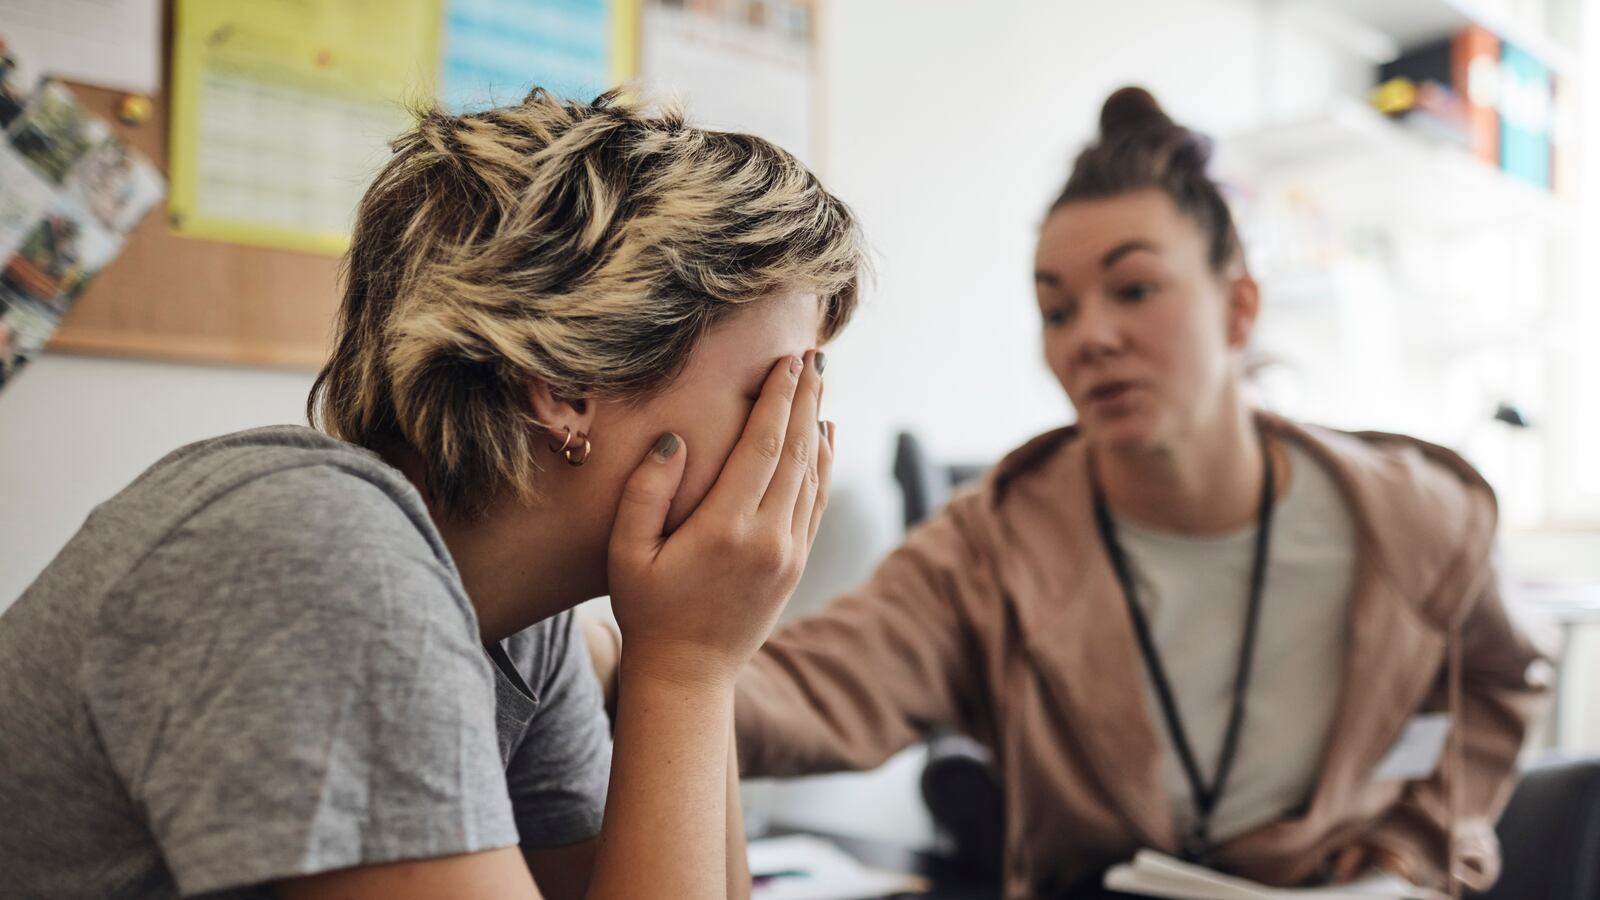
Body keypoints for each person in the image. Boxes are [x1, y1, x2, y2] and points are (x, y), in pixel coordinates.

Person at [0, 89, 861, 899]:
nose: (799, 437)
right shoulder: (318, 553)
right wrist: (687, 670)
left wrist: (689, 661)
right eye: (774, 391)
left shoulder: (521, 629)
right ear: (565, 385)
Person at [728, 88, 1550, 898]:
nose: (1090, 337)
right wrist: (633, 667)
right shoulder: (997, 542)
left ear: (1239, 309)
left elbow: (1498, 681)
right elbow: (818, 685)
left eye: (1134, 290)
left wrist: (1409, 849)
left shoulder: (1413, 518)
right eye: (1057, 309)